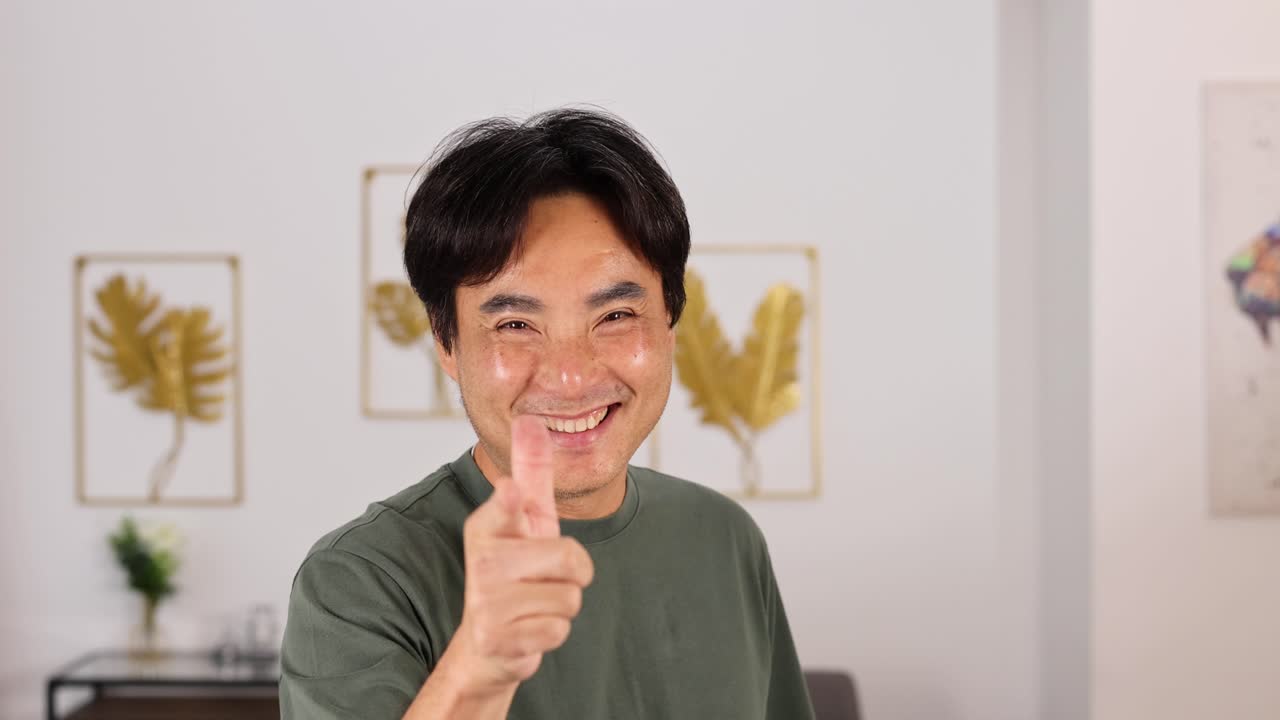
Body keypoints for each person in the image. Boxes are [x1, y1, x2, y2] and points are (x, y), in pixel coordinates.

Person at [279, 107, 815, 720]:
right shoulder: (359, 582)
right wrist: (481, 668)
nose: (571, 375)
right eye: (515, 324)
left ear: (669, 320)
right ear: (446, 343)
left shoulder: (725, 537)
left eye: (614, 316)